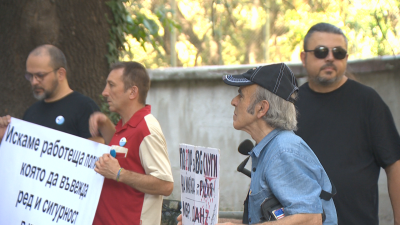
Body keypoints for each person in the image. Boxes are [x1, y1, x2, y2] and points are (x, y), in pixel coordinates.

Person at [178, 63, 337, 225]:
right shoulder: (272, 147)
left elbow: (310, 219)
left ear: (262, 108)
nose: (233, 101)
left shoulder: (284, 150)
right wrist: (208, 222)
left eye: (241, 95)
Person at [295, 22, 400, 225]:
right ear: (304, 57)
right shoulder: (290, 105)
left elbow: (394, 163)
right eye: (321, 51)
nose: (330, 58)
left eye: (339, 52)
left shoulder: (367, 101)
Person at [89, 61, 174, 225]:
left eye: (111, 85)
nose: (105, 92)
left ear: (132, 92)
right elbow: (125, 150)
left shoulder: (146, 128)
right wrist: (105, 124)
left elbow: (165, 185)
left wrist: (119, 173)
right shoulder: (126, 125)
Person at [0, 44, 102, 143]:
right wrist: (5, 137)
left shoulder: (84, 107)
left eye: (40, 75)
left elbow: (97, 150)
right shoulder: (30, 113)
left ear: (60, 74)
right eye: (30, 76)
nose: (34, 82)